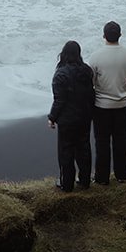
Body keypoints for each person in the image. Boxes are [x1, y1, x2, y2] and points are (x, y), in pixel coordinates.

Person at [88, 20, 126, 184]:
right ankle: (122, 175)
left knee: (102, 142)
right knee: (121, 140)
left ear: (104, 36)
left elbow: (91, 82)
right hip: (121, 104)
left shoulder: (95, 57)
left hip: (101, 106)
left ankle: (102, 178)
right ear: (120, 35)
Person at [47, 39, 95, 191]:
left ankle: (66, 184)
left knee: (66, 152)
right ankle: (85, 181)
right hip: (84, 117)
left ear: (64, 54)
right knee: (84, 149)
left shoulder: (60, 74)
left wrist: (52, 118)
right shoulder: (87, 71)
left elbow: (59, 100)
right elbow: (91, 95)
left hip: (67, 120)